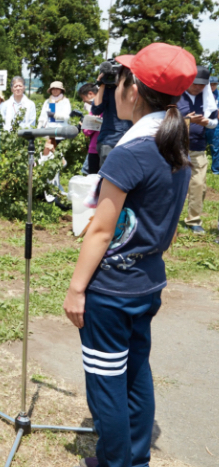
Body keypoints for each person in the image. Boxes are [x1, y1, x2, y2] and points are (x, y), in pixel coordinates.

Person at [62, 43, 194, 467]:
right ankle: (136, 458)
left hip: (111, 290)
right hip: (147, 282)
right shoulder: (175, 146)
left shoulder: (131, 151)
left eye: (118, 80)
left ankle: (115, 462)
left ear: (132, 89)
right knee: (136, 373)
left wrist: (76, 289)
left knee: (105, 384)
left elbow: (101, 230)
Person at [178, 65, 218, 234]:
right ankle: (166, 216)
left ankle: (193, 220)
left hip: (197, 147)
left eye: (202, 84)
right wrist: (187, 120)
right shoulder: (175, 96)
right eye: (195, 84)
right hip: (174, 147)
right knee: (171, 183)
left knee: (199, 184)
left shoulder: (207, 99)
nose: (198, 87)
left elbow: (214, 122)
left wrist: (205, 123)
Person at [92, 74, 132, 167]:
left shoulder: (135, 88)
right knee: (107, 177)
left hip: (130, 140)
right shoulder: (109, 89)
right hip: (109, 140)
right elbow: (96, 109)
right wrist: (101, 84)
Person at [78, 84, 101, 175]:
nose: (83, 100)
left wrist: (84, 125)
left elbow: (88, 130)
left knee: (93, 178)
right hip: (105, 146)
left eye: (83, 97)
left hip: (95, 148)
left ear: (90, 94)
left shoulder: (97, 108)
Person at [206, 75, 219, 175]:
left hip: (215, 127)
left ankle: (215, 171)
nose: (212, 87)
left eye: (214, 85)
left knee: (215, 148)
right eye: (210, 84)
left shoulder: (218, 95)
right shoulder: (203, 95)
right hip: (201, 124)